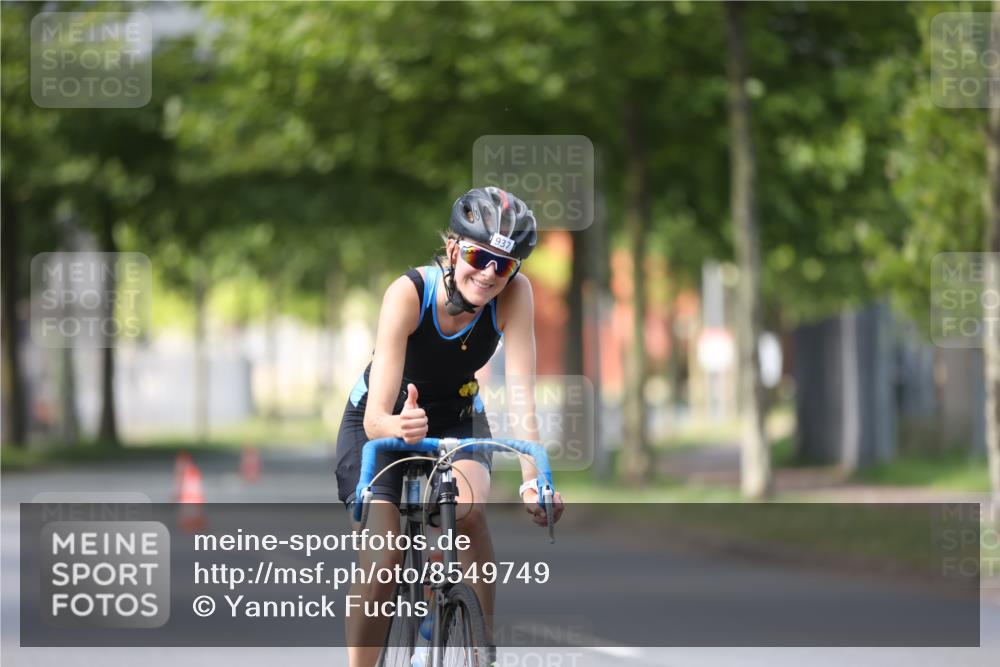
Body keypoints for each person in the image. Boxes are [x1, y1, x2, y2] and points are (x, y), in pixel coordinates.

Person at [335, 186, 565, 667]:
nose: (488, 274)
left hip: (455, 413)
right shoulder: (407, 293)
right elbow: (377, 417)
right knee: (385, 559)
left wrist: (533, 478)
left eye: (503, 265)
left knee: (470, 513)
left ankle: (481, 649)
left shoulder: (515, 295)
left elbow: (522, 391)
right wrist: (398, 423)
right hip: (382, 418)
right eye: (480, 257)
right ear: (454, 247)